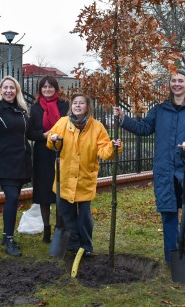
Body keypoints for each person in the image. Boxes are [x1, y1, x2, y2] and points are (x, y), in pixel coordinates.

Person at [113, 70, 185, 263]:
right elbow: (144, 128)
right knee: (169, 211)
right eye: (173, 80)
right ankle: (172, 259)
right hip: (164, 167)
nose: (176, 84)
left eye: (180, 80)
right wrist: (123, 118)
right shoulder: (161, 109)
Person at [47, 93, 121, 256]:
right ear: (71, 106)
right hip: (64, 179)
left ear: (88, 106)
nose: (77, 106)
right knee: (67, 214)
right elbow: (52, 144)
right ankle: (73, 244)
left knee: (84, 217)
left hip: (85, 179)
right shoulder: (62, 123)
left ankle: (86, 245)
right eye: (75, 103)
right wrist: (53, 139)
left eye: (81, 103)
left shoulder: (96, 127)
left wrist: (113, 147)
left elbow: (103, 151)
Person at [0, 76, 32, 257]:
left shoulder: (22, 110)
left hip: (21, 162)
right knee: (11, 198)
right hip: (3, 162)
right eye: (5, 88)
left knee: (15, 197)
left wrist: (48, 135)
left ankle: (5, 235)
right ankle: (10, 240)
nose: (9, 91)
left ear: (16, 90)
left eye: (12, 87)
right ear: (0, 90)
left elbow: (29, 133)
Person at [29, 76, 69, 243]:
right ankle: (46, 229)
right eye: (44, 87)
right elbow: (30, 132)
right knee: (44, 193)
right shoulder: (35, 107)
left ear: (56, 88)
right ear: (40, 90)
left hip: (62, 151)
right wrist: (44, 135)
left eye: (50, 87)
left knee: (60, 191)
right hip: (42, 154)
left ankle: (60, 227)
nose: (47, 90)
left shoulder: (64, 105)